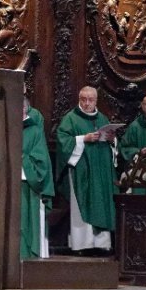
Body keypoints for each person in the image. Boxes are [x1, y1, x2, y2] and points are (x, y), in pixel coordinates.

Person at [54, 86, 116, 253]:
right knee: (82, 204)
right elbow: (62, 141)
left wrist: (112, 140)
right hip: (81, 170)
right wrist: (83, 139)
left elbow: (112, 145)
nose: (87, 103)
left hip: (100, 171)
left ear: (96, 101)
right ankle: (82, 244)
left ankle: (102, 244)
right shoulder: (71, 119)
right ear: (79, 100)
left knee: (101, 204)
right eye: (84, 99)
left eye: (91, 100)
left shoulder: (102, 118)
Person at [20, 97, 54, 259]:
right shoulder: (8, 127)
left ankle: (29, 254)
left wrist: (23, 159)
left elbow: (41, 161)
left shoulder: (34, 130)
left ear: (24, 109)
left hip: (28, 184)